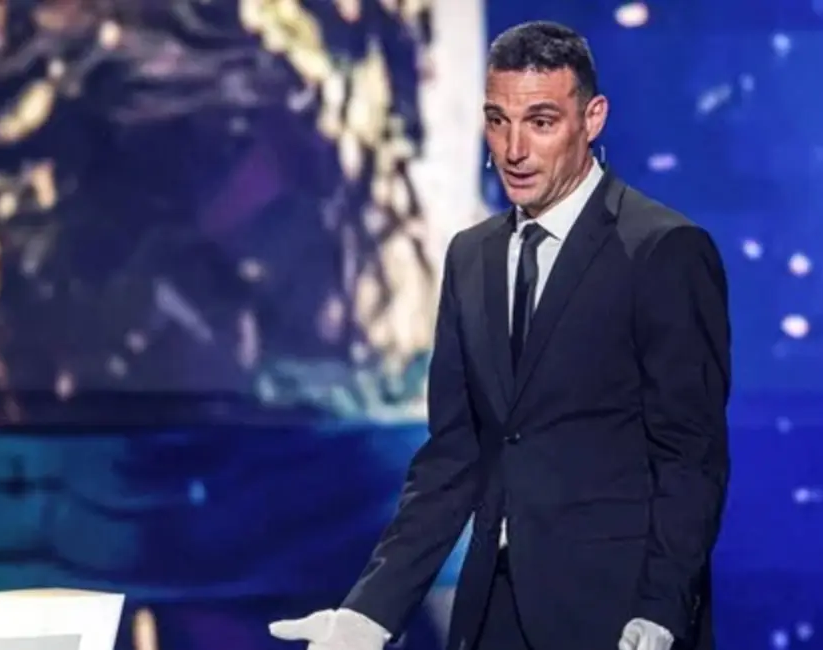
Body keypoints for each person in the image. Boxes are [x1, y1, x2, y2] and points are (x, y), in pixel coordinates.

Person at [268, 20, 730, 650]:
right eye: (497, 120)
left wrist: (660, 611)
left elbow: (691, 458)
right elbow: (453, 457)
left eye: (540, 122)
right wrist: (368, 615)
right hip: (492, 612)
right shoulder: (472, 256)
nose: (513, 149)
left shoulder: (662, 250)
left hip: (618, 617)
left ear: (592, 119)